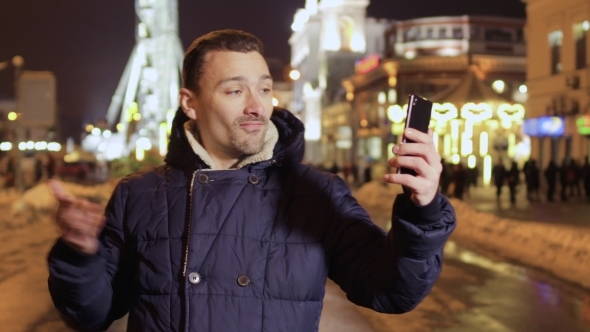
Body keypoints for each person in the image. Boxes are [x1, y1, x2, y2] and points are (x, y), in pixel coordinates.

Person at [47, 30, 456, 332]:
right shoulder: (138, 194)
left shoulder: (315, 193)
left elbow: (392, 291)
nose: (256, 106)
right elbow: (91, 315)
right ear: (190, 103)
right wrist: (80, 256)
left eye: (264, 88)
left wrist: (423, 212)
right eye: (235, 90)